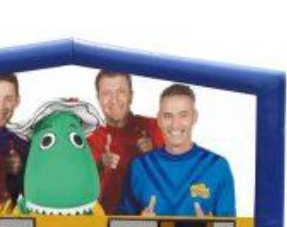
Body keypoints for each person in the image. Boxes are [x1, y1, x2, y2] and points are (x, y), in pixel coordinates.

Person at [118, 83, 235, 217]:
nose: (175, 124)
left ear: (194, 117)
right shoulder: (139, 166)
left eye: (183, 115)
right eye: (168, 116)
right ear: (159, 119)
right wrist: (140, 224)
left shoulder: (218, 166)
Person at [87, 71, 164, 214]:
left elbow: (177, 176)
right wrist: (100, 165)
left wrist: (153, 154)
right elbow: (78, 189)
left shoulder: (155, 128)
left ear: (131, 96)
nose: (114, 100)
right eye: (106, 93)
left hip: (150, 220)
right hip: (104, 222)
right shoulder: (88, 138)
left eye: (121, 92)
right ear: (98, 98)